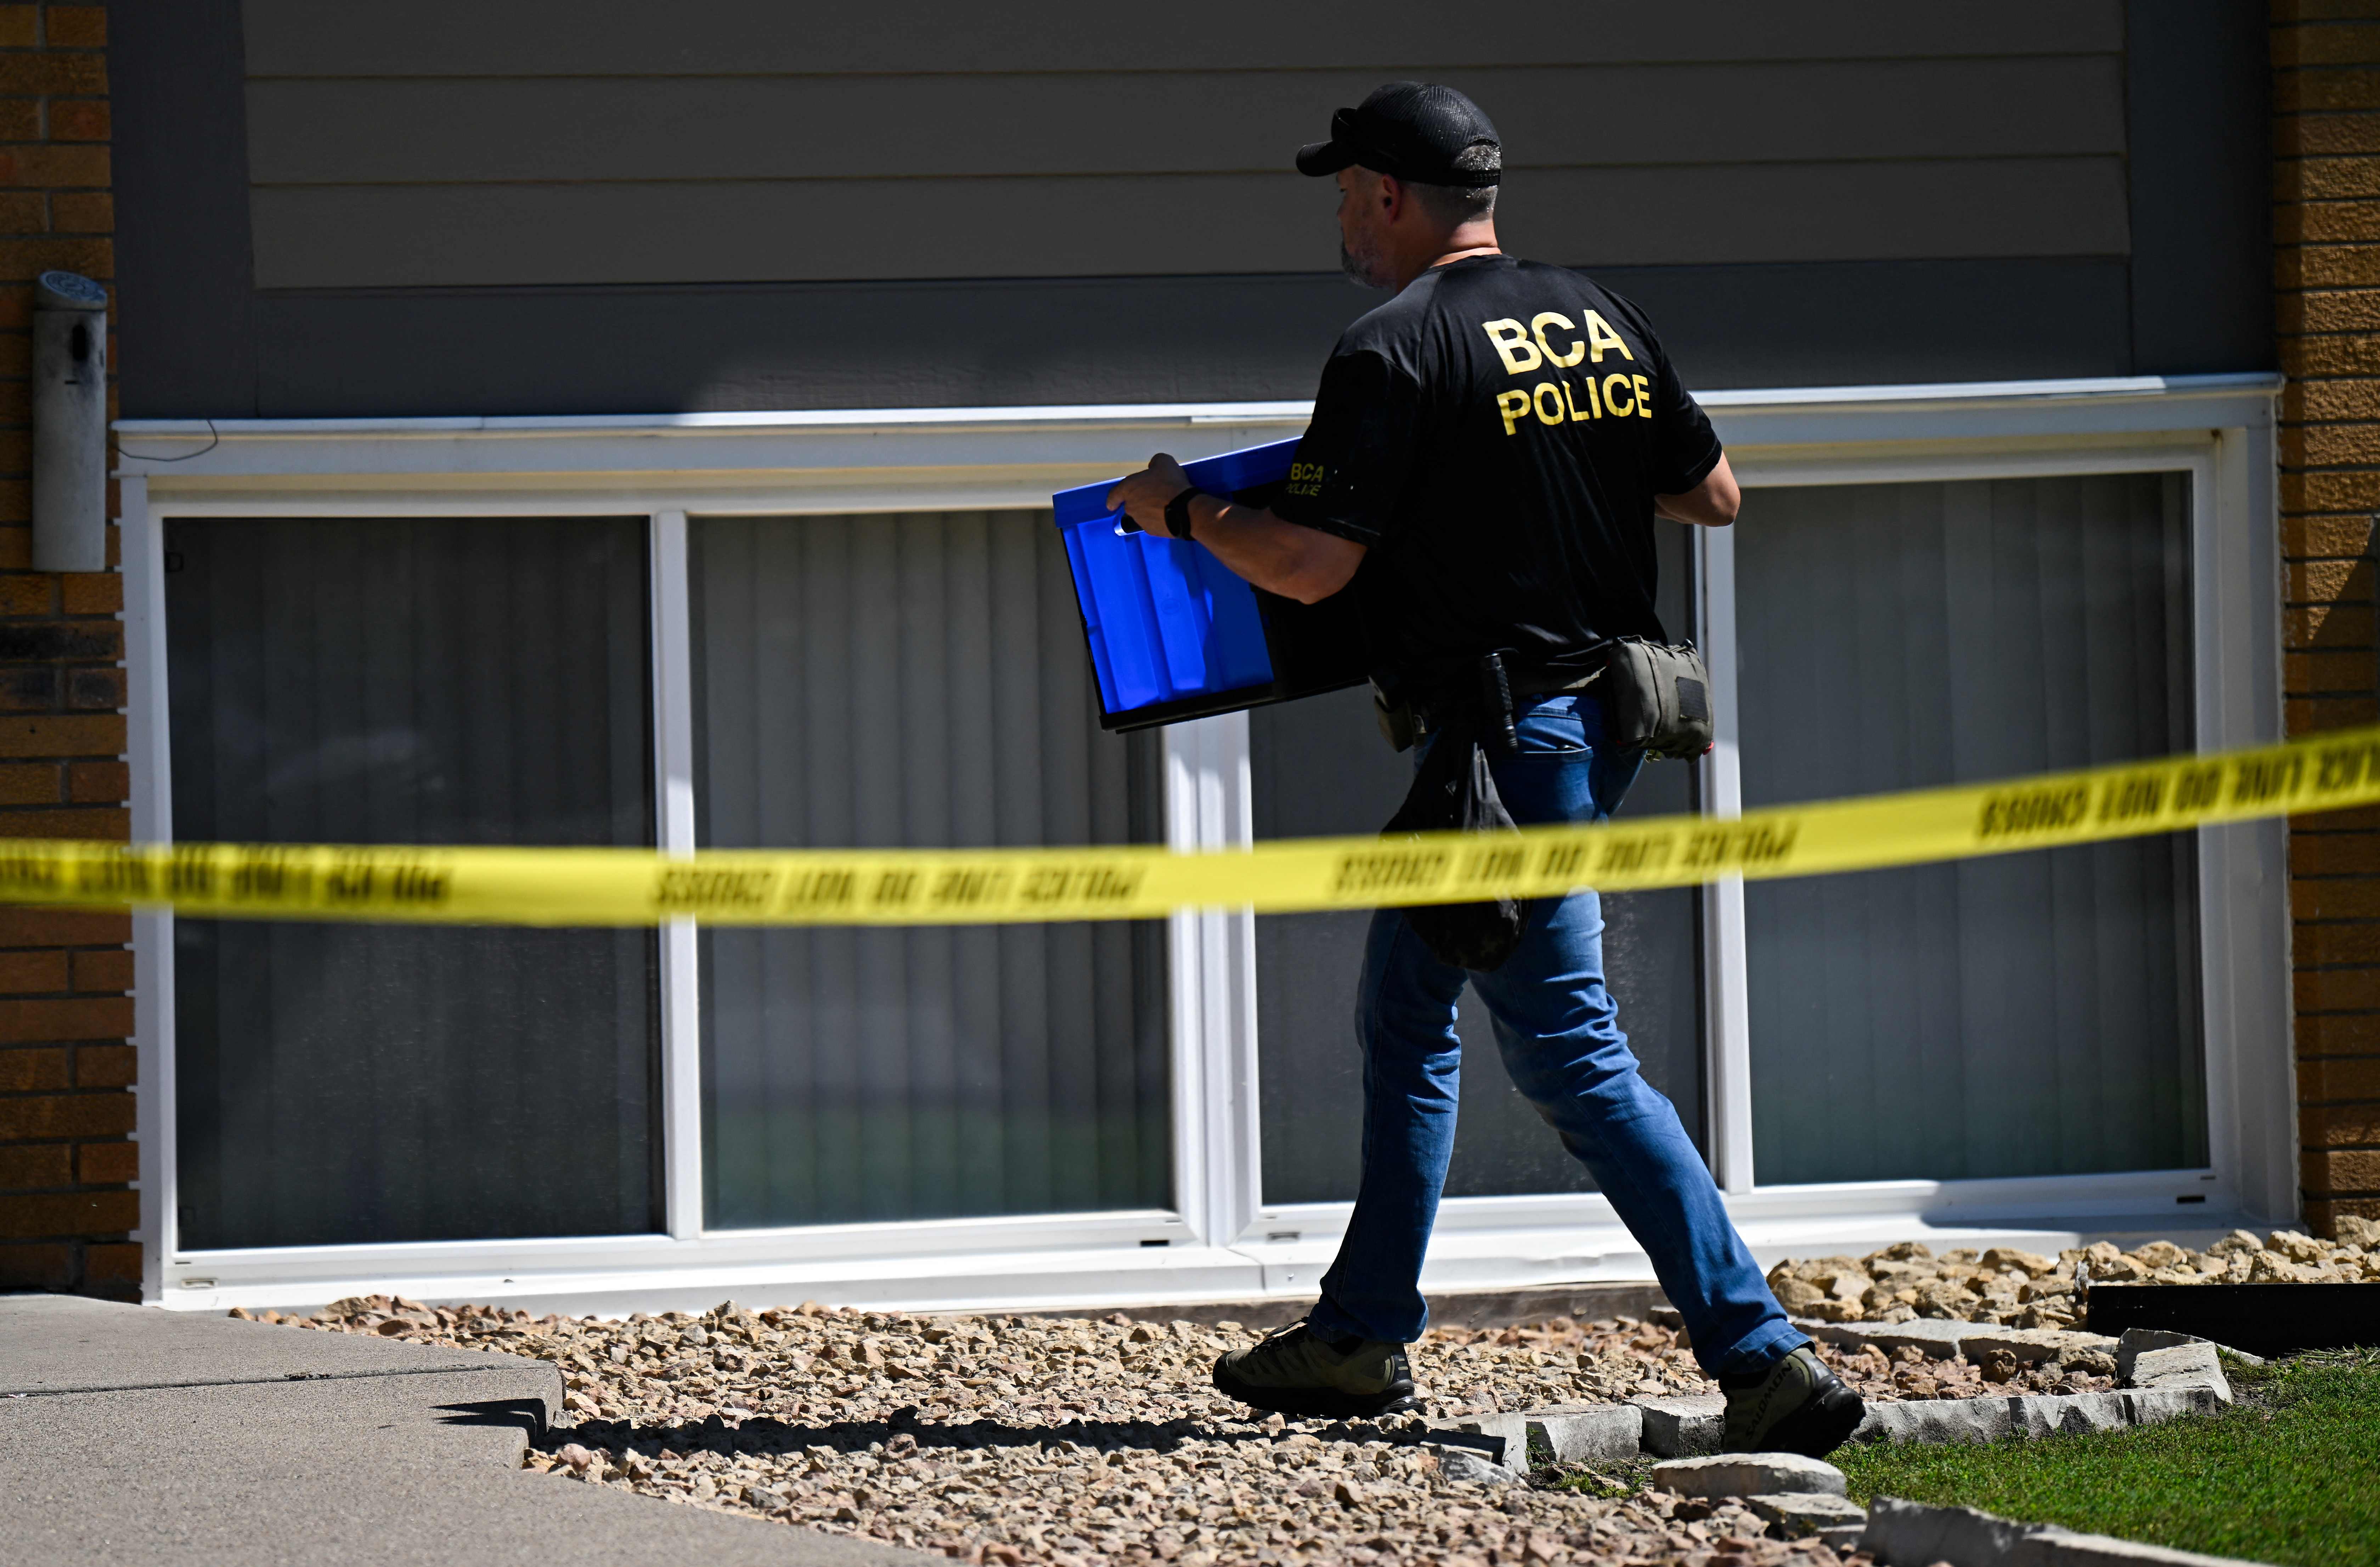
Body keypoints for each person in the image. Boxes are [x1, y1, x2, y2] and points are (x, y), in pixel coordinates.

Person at [1105, 83, 1865, 1458]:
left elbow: (1312, 565)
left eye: (1346, 190)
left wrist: (1181, 510)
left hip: (1513, 748)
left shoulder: (1390, 347)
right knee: (1407, 1010)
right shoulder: (1594, 310)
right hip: (1594, 721)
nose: (1340, 212)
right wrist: (1535, 475)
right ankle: (1357, 1332)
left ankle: (1765, 1356)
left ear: (1393, 196)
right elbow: (1715, 492)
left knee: (1571, 1049)